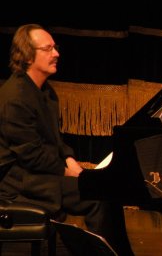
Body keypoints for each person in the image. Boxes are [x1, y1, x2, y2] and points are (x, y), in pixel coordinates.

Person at [0, 24, 122, 254]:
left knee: (105, 188)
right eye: (48, 49)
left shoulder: (45, 91)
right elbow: (31, 156)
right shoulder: (15, 97)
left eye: (55, 47)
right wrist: (67, 171)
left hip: (40, 173)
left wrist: (69, 158)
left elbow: (56, 140)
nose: (56, 53)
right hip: (21, 181)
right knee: (96, 196)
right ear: (27, 56)